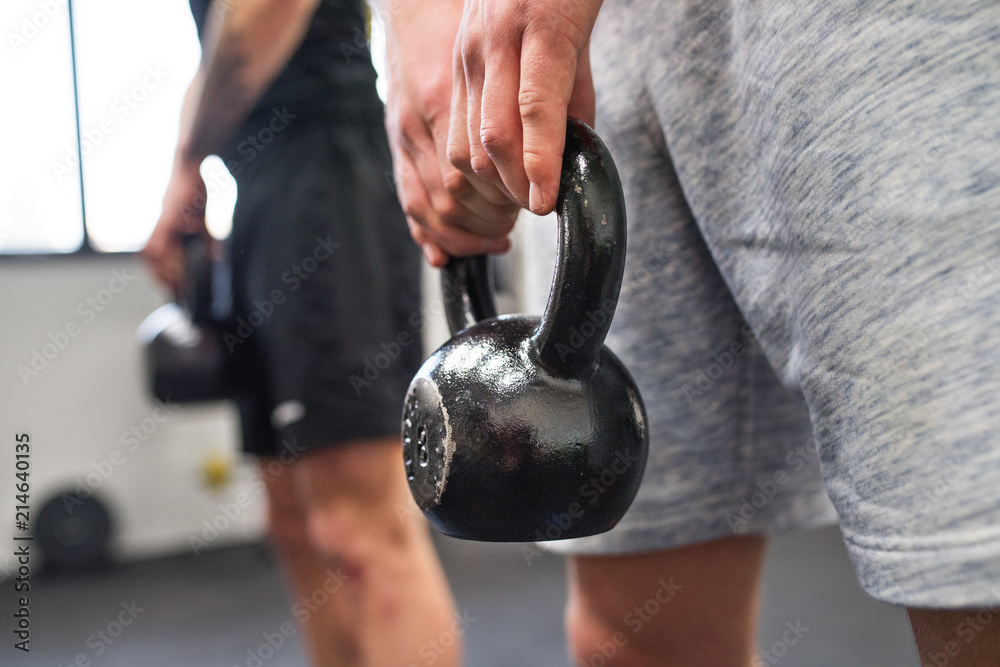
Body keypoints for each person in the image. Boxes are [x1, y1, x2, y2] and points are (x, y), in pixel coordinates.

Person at [378, 0, 1000, 664]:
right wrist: (417, 22)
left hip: (874, 32)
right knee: (633, 639)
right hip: (591, 54)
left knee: (972, 580)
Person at [143, 1, 460, 664]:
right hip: (263, 185)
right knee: (294, 520)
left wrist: (185, 157)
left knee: (362, 528)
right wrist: (190, 166)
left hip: (327, 169)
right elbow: (218, 46)